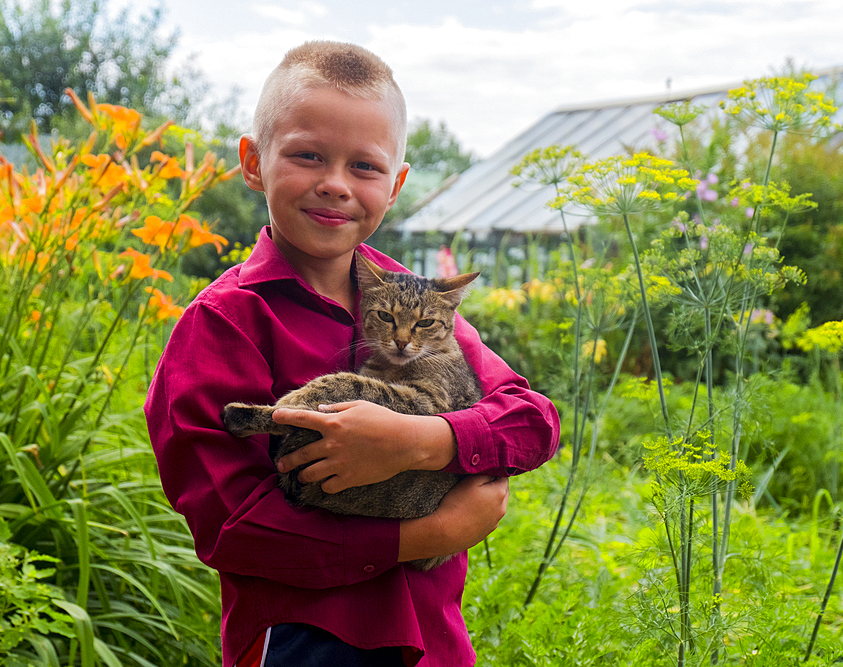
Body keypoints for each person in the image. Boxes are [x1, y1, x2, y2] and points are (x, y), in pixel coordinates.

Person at [144, 40, 560, 667]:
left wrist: (424, 441)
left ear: (394, 185)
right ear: (254, 163)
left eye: (364, 167)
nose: (335, 185)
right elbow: (236, 531)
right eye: (308, 155)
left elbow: (534, 422)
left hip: (436, 646)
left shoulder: (415, 303)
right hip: (305, 643)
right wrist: (430, 534)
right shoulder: (223, 325)